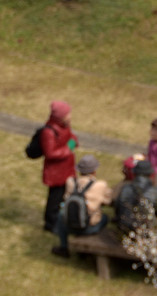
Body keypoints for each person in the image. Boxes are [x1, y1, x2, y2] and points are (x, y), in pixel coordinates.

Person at [51, 155, 112, 257]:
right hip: (88, 227)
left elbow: (66, 198)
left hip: (68, 226)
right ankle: (88, 249)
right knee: (105, 218)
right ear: (94, 170)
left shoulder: (71, 182)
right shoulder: (100, 185)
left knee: (60, 217)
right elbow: (108, 201)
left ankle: (63, 247)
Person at [41, 100, 77, 232]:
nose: (70, 116)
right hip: (56, 172)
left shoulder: (64, 125)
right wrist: (69, 149)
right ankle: (50, 224)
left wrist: (73, 142)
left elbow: (71, 137)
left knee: (64, 195)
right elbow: (50, 153)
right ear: (60, 116)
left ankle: (59, 219)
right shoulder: (48, 132)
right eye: (68, 114)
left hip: (66, 167)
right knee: (55, 199)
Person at [114, 159, 157, 233]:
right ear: (150, 174)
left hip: (125, 229)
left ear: (134, 174)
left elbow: (118, 209)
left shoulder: (125, 189)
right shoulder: (156, 192)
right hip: (147, 231)